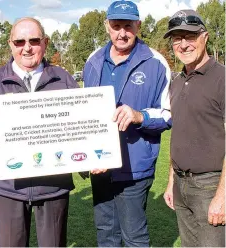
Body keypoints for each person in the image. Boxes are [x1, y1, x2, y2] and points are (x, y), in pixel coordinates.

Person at [0, 17, 79, 247]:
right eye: (19, 41)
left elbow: (80, 126)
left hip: (53, 186)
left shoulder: (64, 80)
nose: (26, 47)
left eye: (34, 40)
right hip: (9, 187)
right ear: (10, 44)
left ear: (45, 43)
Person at [83, 0, 171, 246]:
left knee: (134, 237)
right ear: (106, 26)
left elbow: (168, 114)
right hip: (101, 166)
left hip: (134, 166)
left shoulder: (156, 63)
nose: (122, 32)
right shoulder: (93, 60)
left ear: (138, 26)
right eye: (116, 25)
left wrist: (139, 116)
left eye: (128, 26)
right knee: (106, 234)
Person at [163, 9, 225, 247]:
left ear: (205, 37)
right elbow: (179, 134)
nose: (183, 44)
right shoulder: (176, 82)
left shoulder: (222, 79)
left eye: (190, 36)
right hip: (181, 184)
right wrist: (170, 180)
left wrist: (222, 196)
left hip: (211, 185)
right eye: (177, 38)